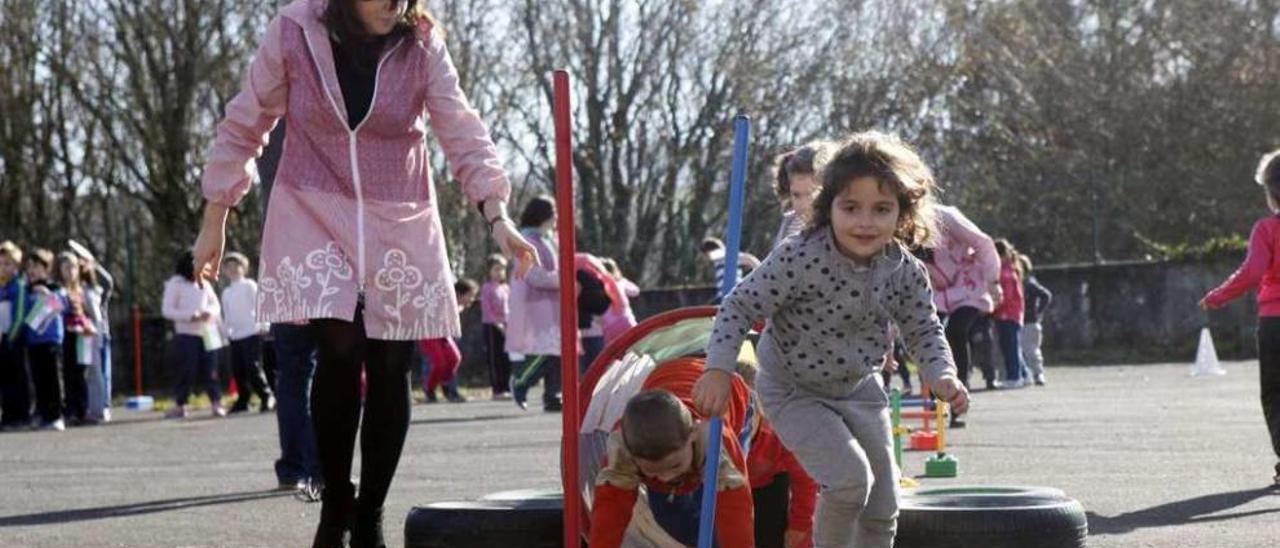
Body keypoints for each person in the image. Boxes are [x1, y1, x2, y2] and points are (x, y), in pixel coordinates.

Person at [191, 0, 537, 544]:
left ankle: (370, 512)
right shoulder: (294, 32)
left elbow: (462, 131)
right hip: (312, 205)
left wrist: (498, 216)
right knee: (338, 347)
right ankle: (336, 503)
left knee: (391, 359)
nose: (395, 2)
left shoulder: (421, 45)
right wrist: (216, 218)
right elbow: (245, 121)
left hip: (398, 213)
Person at [694, 131, 970, 548]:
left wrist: (942, 373)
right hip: (793, 389)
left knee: (883, 501)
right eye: (851, 207)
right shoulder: (800, 256)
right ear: (828, 206)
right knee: (848, 480)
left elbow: (923, 326)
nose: (865, 222)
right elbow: (739, 306)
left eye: (881, 209)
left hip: (859, 388)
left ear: (903, 214)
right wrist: (718, 369)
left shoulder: (903, 270)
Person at [589, 358, 756, 548]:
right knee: (671, 518)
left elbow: (735, 510)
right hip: (666, 378)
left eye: (674, 465)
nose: (667, 477)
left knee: (719, 517)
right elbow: (610, 508)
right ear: (633, 456)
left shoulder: (715, 440)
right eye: (652, 471)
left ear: (692, 434)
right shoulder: (623, 447)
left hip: (729, 393)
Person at [1200, 148, 1280, 487]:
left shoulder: (1266, 229)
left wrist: (1218, 296)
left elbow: (1253, 271)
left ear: (1271, 193)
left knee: (1275, 393)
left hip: (1276, 322)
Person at [922, 203, 1002, 414]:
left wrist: (993, 280)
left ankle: (960, 390)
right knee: (927, 334)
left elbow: (983, 243)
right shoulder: (896, 229)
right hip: (938, 291)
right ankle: (935, 393)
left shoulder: (946, 217)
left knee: (956, 331)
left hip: (968, 283)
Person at [507, 195, 564, 412]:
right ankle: (521, 380)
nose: (557, 217)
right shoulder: (527, 241)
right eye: (554, 213)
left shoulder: (546, 238)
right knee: (547, 352)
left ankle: (552, 395)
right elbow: (533, 274)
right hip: (535, 303)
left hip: (549, 302)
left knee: (558, 351)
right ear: (544, 216)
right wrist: (562, 280)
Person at [161, 251, 226, 419]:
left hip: (208, 332)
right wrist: (191, 315)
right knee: (186, 370)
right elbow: (167, 310)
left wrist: (208, 313)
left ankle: (216, 403)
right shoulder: (175, 284)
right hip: (186, 334)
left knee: (211, 370)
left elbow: (215, 305)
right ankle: (180, 405)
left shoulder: (204, 283)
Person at [273, 320, 323, 499]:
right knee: (328, 370)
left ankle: (292, 470)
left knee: (292, 377)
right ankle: (320, 469)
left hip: (287, 301)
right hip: (327, 300)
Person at [221, 252, 276, 413]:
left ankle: (267, 396)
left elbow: (260, 305)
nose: (232, 270)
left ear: (243, 268)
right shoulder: (226, 292)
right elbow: (227, 315)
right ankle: (243, 399)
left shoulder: (249, 285)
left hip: (252, 332)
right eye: (228, 267)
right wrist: (227, 332)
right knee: (238, 370)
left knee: (253, 368)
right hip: (236, 336)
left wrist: (264, 325)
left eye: (236, 266)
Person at [53, 252, 101, 426]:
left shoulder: (81, 290)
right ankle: (71, 410)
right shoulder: (57, 290)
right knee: (68, 373)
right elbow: (56, 312)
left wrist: (87, 324)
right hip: (67, 335)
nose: (70, 272)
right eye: (66, 268)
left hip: (83, 336)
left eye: (73, 267)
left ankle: (83, 409)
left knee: (82, 374)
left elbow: (87, 312)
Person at [23, 249, 67, 431]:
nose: (31, 270)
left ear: (46, 269)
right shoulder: (26, 290)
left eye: (36, 266)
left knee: (53, 379)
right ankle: (42, 413)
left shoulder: (55, 288)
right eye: (29, 267)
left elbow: (62, 305)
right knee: (38, 379)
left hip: (51, 342)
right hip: (33, 343)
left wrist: (48, 295)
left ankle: (56, 415)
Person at [771, 143, 827, 249]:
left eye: (813, 194)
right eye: (796, 195)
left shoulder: (837, 229)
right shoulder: (789, 224)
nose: (804, 205)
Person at [0, 241, 31, 431]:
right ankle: (8, 415)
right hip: (1, 338)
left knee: (17, 378)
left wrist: (10, 339)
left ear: (16, 265)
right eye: (0, 263)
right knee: (4, 381)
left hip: (14, 340)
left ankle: (20, 416)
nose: (3, 267)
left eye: (7, 264)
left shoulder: (18, 285)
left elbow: (19, 316)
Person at [992, 239, 1029, 388]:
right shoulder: (1012, 269)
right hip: (1013, 314)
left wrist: (992, 308)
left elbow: (1004, 298)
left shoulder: (1004, 273)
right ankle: (1025, 374)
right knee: (1014, 346)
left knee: (1010, 347)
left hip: (1006, 314)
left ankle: (1014, 377)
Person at [479, 254, 512, 399]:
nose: (500, 273)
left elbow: (510, 307)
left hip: (506, 326)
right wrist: (499, 325)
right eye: (496, 269)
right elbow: (487, 310)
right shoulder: (487, 288)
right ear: (489, 271)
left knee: (506, 358)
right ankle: (497, 389)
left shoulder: (506, 287)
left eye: (502, 270)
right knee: (495, 358)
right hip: (492, 327)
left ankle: (506, 387)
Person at [1019, 254, 1053, 386]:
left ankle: (1038, 373)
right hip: (1019, 320)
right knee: (1021, 350)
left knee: (1032, 350)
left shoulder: (1029, 283)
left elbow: (1046, 295)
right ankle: (1026, 375)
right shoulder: (1018, 283)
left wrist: (1038, 312)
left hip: (1030, 321)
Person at [599, 257, 639, 343]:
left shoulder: (597, 284)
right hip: (626, 320)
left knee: (611, 351)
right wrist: (623, 279)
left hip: (608, 324)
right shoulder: (620, 282)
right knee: (634, 344)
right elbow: (635, 291)